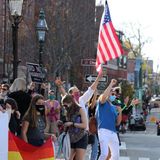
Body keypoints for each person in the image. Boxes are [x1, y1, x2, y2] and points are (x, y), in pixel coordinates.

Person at [96, 79, 122, 160]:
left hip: (113, 132)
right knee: (104, 154)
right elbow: (103, 97)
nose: (114, 95)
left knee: (116, 156)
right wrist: (111, 84)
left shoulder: (114, 107)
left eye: (115, 94)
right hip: (103, 130)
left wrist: (120, 111)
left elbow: (118, 123)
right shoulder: (102, 102)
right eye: (112, 93)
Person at [61, 94, 88, 160]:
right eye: (63, 105)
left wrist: (72, 124)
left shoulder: (80, 109)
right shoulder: (67, 110)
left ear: (71, 102)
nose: (64, 107)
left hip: (81, 137)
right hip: (71, 138)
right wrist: (62, 123)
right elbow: (67, 124)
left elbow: (85, 125)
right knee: (68, 158)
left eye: (65, 105)